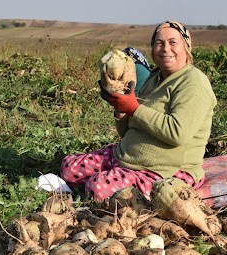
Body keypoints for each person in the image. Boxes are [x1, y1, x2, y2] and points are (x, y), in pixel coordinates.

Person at [60, 20, 217, 201]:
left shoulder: (193, 83)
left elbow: (178, 133)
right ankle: (116, 174)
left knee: (97, 188)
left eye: (173, 42)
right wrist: (120, 108)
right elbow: (127, 131)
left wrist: (134, 108)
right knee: (69, 168)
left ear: (186, 46)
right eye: (159, 43)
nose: (166, 49)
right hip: (127, 156)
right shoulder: (154, 79)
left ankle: (119, 182)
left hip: (165, 170)